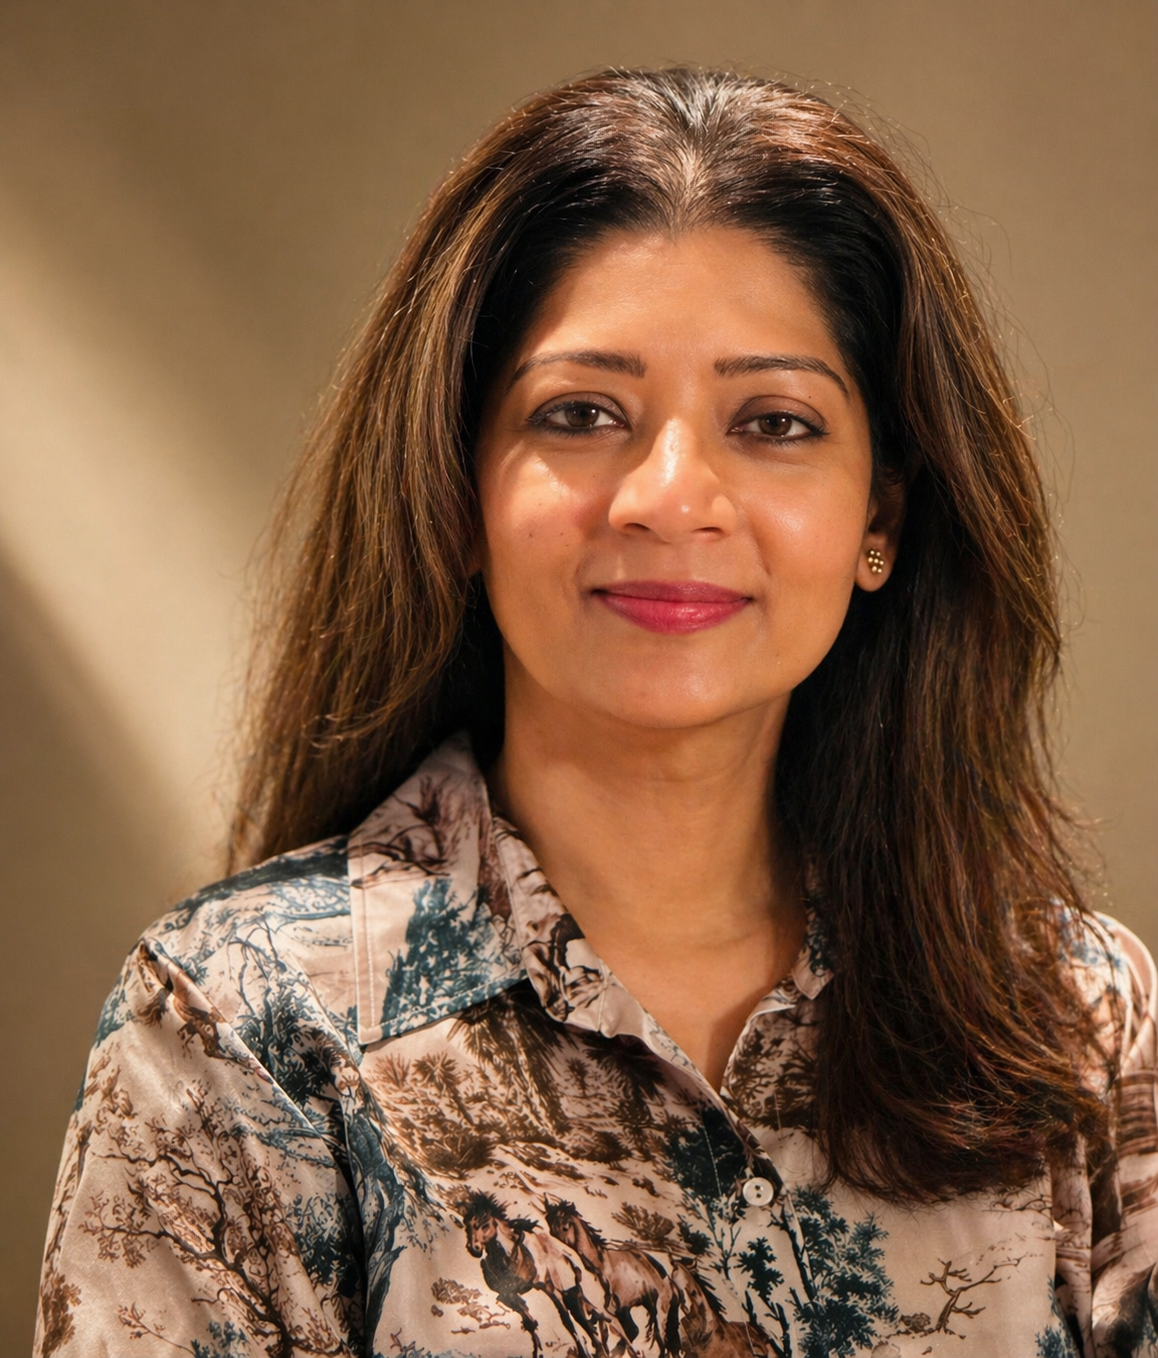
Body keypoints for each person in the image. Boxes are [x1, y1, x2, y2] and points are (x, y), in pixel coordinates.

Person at [34, 67, 1158, 1358]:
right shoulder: (238, 1028)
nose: (670, 496)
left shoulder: (1078, 1027)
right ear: (457, 496)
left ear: (881, 520)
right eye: (580, 414)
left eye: (773, 421)